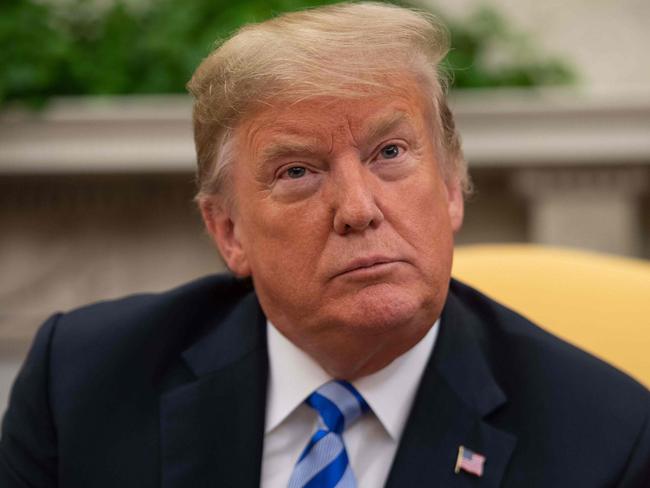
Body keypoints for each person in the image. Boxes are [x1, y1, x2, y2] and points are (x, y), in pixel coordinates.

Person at [1, 2, 649, 487]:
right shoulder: (82, 385)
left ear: (452, 189)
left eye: (390, 153)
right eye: (297, 172)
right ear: (228, 232)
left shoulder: (605, 439)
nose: (359, 210)